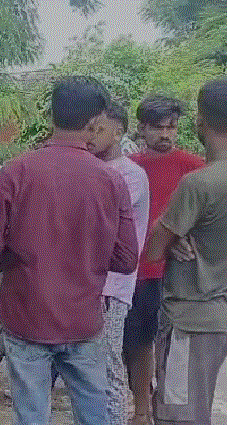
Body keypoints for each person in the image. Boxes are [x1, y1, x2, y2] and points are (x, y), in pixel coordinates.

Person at [0, 76, 139, 425]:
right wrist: (89, 256)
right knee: (94, 413)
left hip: (26, 312)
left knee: (31, 414)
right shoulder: (111, 180)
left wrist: (16, 259)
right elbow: (127, 259)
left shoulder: (16, 170)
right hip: (83, 317)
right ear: (95, 122)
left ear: (51, 115)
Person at [142, 78, 227, 425]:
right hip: (218, 316)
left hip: (191, 319)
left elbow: (153, 249)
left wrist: (172, 233)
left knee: (181, 416)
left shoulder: (199, 183)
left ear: (201, 121)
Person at [125, 95, 205, 424]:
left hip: (180, 272)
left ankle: (167, 410)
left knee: (174, 346)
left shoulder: (194, 167)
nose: (165, 134)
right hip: (139, 271)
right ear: (142, 128)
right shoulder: (128, 168)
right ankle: (141, 410)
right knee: (139, 342)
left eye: (171, 127)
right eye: (158, 127)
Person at [86, 102, 151, 425]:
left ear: (119, 132)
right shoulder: (92, 169)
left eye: (99, 129)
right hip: (87, 283)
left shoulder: (130, 175)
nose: (91, 135)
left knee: (108, 367)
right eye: (89, 128)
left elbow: (98, 223)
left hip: (111, 287)